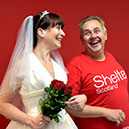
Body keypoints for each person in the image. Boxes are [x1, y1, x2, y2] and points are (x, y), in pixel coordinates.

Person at [0, 11, 86, 129]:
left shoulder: (58, 67)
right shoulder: (23, 64)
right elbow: (2, 103)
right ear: (41, 32)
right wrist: (30, 121)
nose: (63, 33)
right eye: (58, 28)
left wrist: (81, 99)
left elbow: (60, 103)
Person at [66, 16, 129, 129]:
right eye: (87, 33)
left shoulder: (110, 57)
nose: (93, 36)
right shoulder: (75, 65)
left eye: (97, 31)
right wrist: (106, 112)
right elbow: (69, 107)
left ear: (105, 35)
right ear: (82, 39)